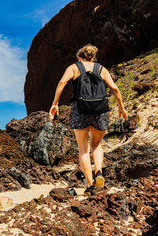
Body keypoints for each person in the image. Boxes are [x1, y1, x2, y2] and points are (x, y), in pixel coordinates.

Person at [49, 44, 127, 196]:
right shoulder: (102, 69)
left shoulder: (74, 67)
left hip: (80, 109)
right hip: (101, 109)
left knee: (83, 148)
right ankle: (99, 171)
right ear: (93, 57)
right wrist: (121, 107)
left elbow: (62, 83)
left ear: (79, 57)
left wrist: (55, 103)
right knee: (96, 144)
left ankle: (91, 185)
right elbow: (115, 89)